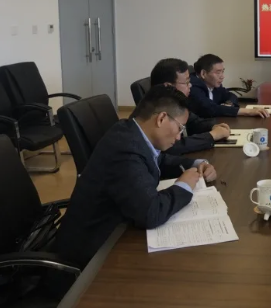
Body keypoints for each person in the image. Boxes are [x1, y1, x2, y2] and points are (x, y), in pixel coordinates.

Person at [52, 85, 217, 276]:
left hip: (117, 230)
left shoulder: (130, 130)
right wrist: (184, 185)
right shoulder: (124, 150)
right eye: (180, 128)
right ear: (161, 118)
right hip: (92, 255)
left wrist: (196, 164)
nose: (179, 136)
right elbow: (151, 213)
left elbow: (159, 160)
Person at [150, 58, 231, 154]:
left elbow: (194, 122)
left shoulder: (177, 103)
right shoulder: (156, 110)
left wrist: (214, 126)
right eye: (186, 82)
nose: (190, 86)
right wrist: (212, 136)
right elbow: (171, 147)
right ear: (168, 86)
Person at [189, 54, 268, 119]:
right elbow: (209, 108)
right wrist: (248, 112)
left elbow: (231, 96)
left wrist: (229, 104)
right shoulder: (192, 86)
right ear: (203, 74)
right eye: (218, 72)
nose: (222, 76)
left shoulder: (213, 84)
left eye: (222, 72)